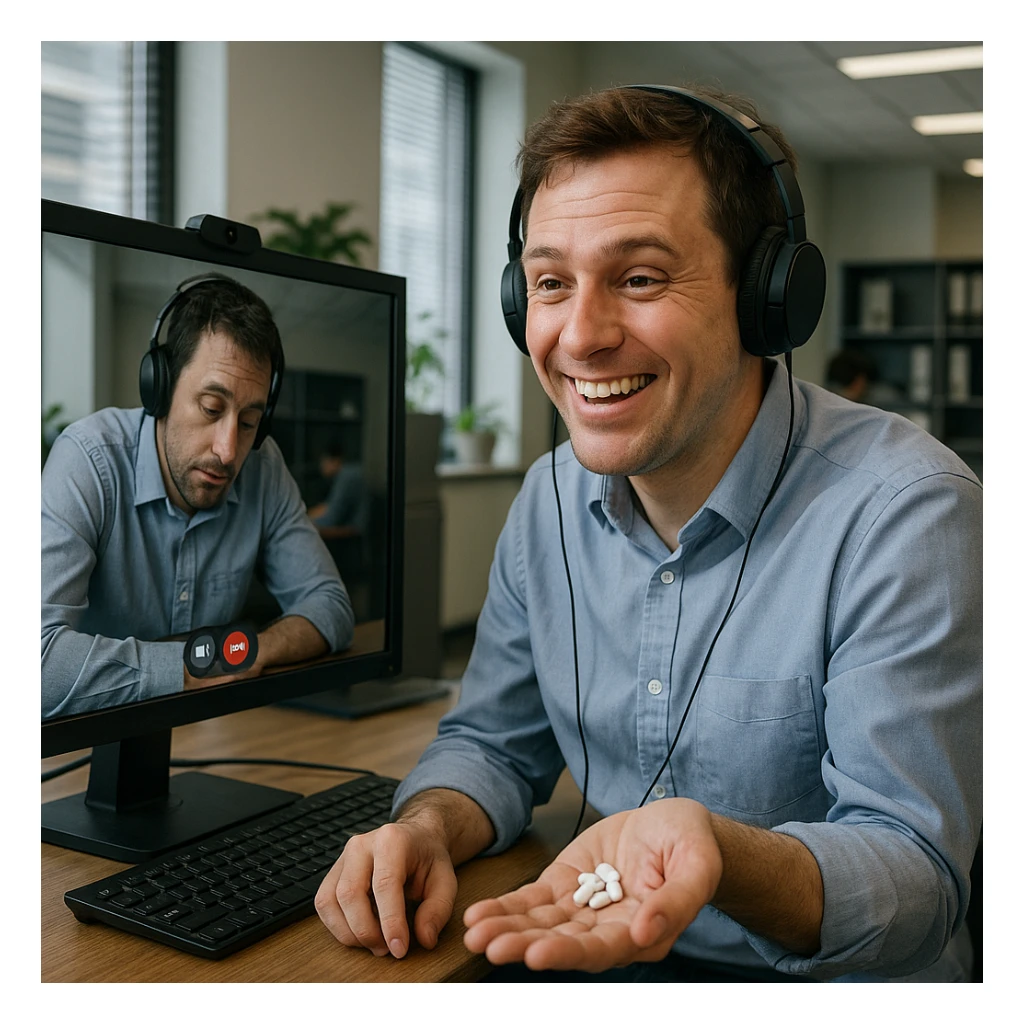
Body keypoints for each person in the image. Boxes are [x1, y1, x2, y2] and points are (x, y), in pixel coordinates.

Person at [313, 85, 981, 982]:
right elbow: (491, 746)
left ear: (765, 297)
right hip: (599, 963)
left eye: (639, 278)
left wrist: (721, 857)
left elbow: (916, 879)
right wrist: (426, 826)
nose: (580, 336)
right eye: (551, 283)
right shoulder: (548, 500)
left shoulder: (905, 511)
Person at [41, 274, 354, 719]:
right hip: (84, 752)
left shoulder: (263, 467)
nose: (228, 451)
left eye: (248, 422)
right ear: (160, 389)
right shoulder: (88, 460)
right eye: (211, 409)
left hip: (206, 736)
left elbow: (331, 605)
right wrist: (189, 669)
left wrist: (248, 652)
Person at [307, 440, 370, 539]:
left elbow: (332, 518)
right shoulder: (350, 472)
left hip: (358, 533)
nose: (321, 467)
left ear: (334, 460)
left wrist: (306, 521)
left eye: (323, 461)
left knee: (309, 531)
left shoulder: (347, 477)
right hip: (359, 527)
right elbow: (329, 506)